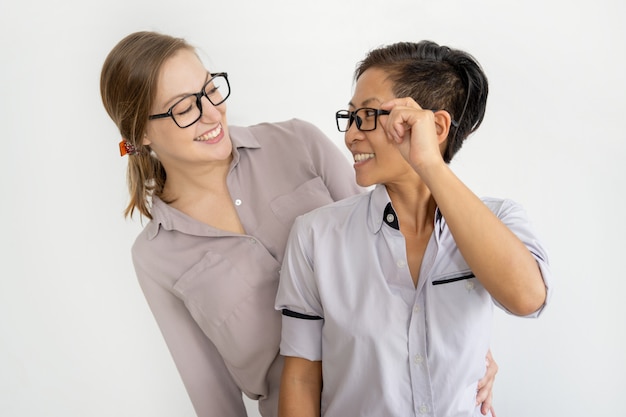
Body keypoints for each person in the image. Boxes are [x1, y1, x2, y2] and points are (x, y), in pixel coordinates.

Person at [100, 32, 499, 417]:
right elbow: (209, 389)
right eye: (185, 108)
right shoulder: (156, 256)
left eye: (210, 90)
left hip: (398, 398)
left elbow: (397, 245)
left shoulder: (298, 143)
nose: (211, 113)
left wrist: (463, 348)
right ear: (140, 134)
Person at [275, 40, 552, 417]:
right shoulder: (315, 236)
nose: (351, 135)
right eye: (351, 116)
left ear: (435, 126)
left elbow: (527, 298)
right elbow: (301, 379)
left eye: (370, 116)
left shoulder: (500, 219)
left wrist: (431, 165)